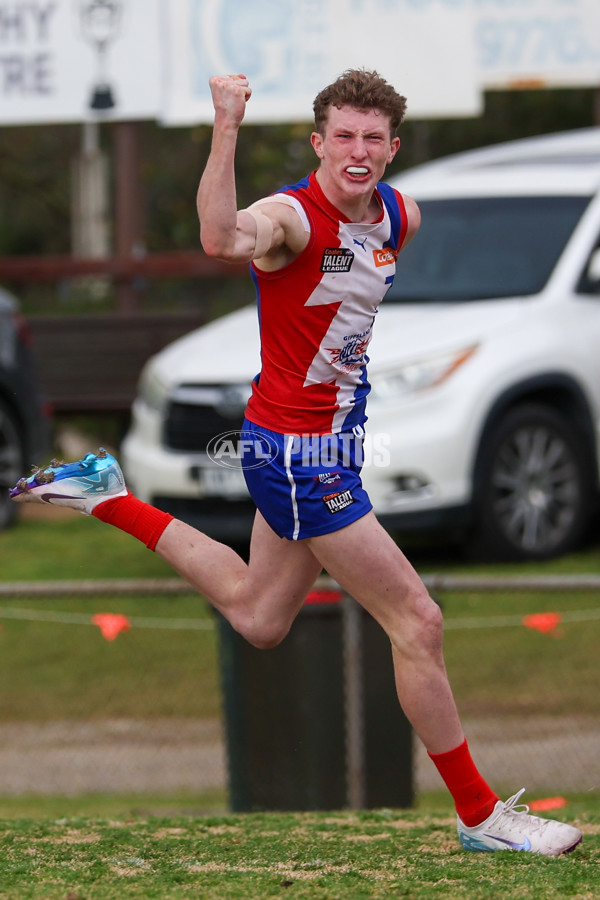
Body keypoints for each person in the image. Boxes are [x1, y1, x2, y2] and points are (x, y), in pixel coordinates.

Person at [11, 69, 581, 856]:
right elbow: (220, 238)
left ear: (392, 149)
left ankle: (107, 496)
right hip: (297, 456)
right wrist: (225, 125)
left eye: (372, 138)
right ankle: (481, 816)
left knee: (259, 616)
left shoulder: (398, 216)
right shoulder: (292, 220)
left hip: (329, 446)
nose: (357, 151)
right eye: (342, 136)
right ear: (318, 143)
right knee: (418, 621)